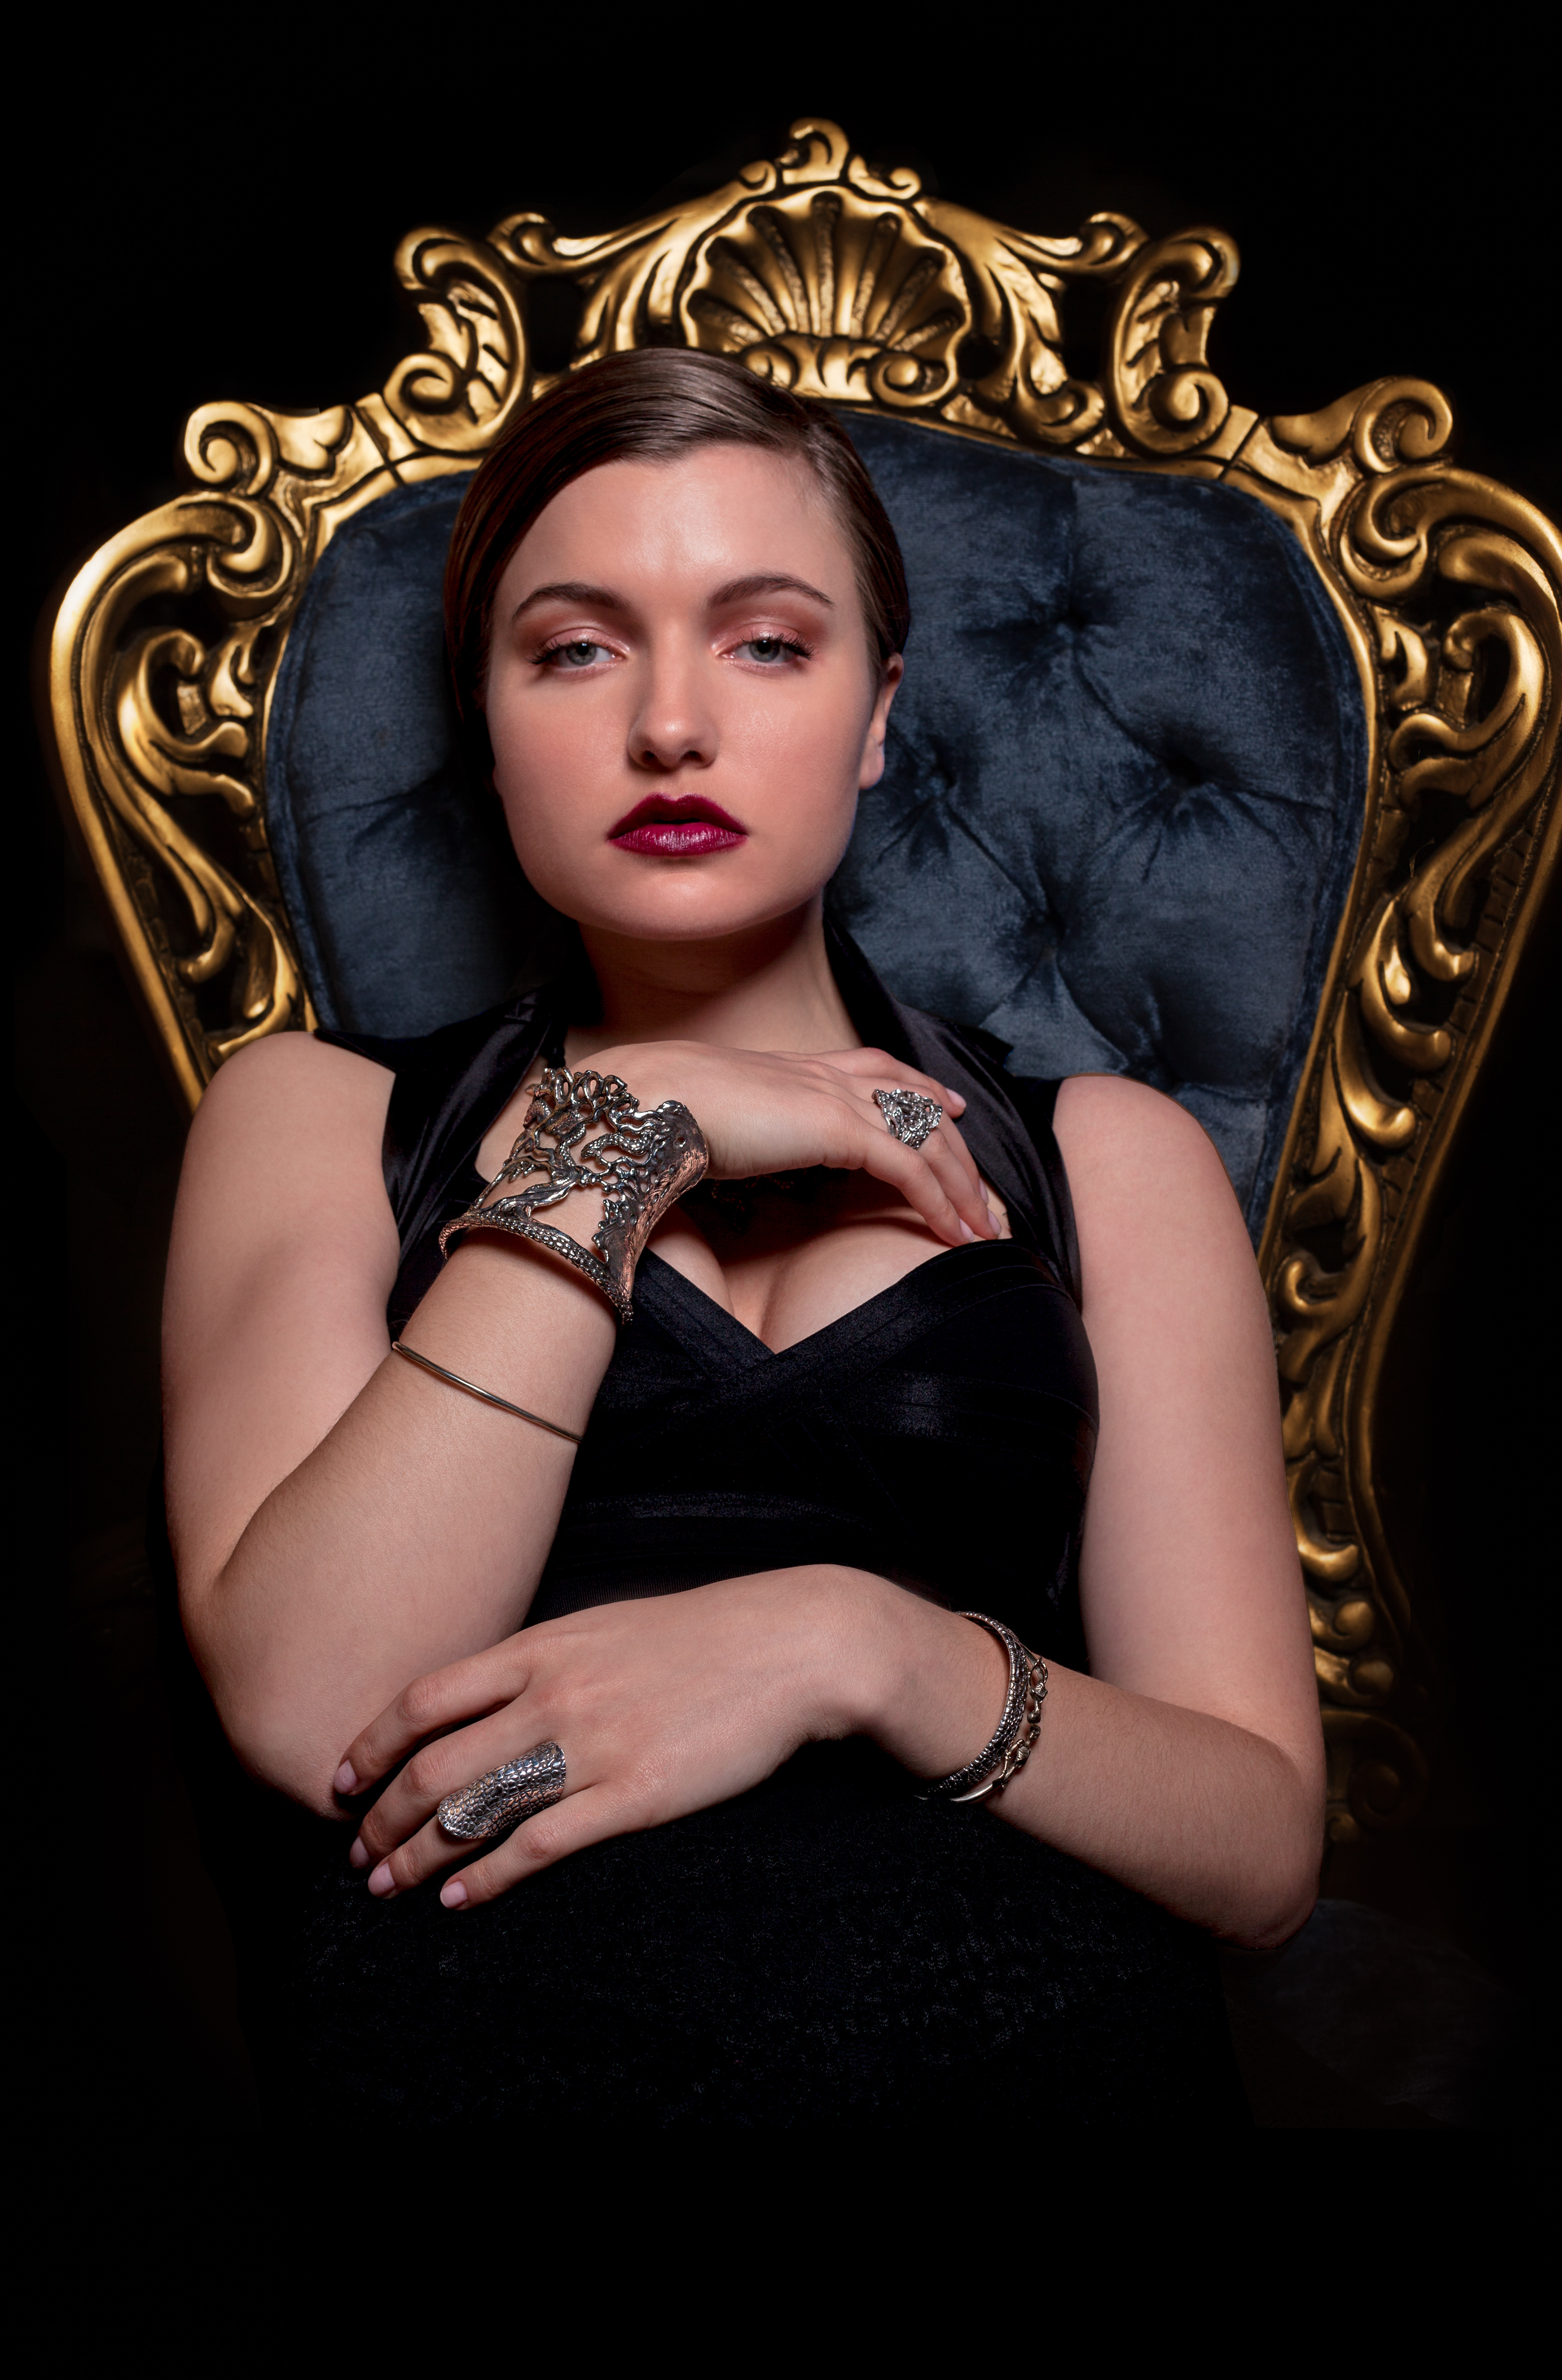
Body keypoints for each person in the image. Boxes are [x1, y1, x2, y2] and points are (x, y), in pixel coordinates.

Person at [161, 348, 1323, 2124]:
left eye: (768, 642)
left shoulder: (1108, 1159)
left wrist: (855, 1648)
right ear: (487, 723)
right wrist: (639, 1140)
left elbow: (1260, 1848)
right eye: (576, 649)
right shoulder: (316, 1119)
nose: (671, 728)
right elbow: (316, 1703)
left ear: (877, 715)